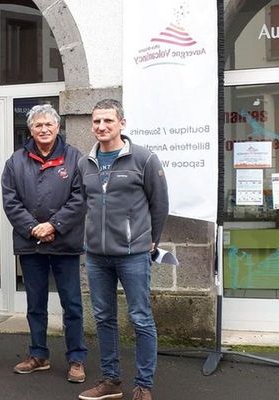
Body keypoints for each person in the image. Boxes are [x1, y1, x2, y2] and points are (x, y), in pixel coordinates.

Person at [77, 99, 169, 400]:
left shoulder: (144, 159)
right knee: (104, 318)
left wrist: (151, 239)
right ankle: (110, 381)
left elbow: (160, 205)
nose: (101, 127)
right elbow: (84, 205)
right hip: (96, 256)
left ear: (122, 123)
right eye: (96, 122)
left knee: (141, 318)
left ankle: (143, 385)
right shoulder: (85, 164)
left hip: (133, 254)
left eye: (108, 121)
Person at [1, 104, 88, 383]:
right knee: (35, 304)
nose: (44, 129)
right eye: (38, 125)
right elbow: (10, 201)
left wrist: (53, 225)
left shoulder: (75, 159)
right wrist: (33, 229)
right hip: (31, 245)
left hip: (65, 244)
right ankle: (38, 354)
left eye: (49, 124)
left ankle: (76, 358)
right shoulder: (15, 161)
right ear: (30, 129)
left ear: (58, 127)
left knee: (72, 304)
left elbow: (80, 199)